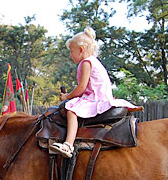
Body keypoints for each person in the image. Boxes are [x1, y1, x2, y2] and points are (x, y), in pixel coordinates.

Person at [49, 27, 137, 158]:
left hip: (95, 98)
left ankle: (68, 145)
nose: (70, 55)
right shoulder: (95, 62)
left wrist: (67, 96)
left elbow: (81, 88)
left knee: (71, 111)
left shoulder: (86, 63)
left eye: (71, 51)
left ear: (81, 49)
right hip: (102, 96)